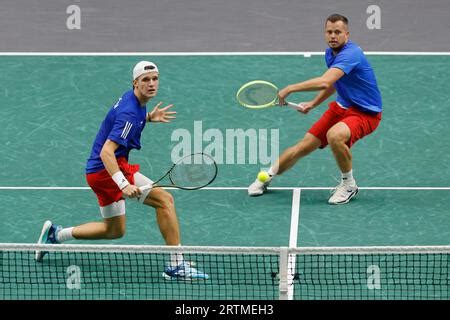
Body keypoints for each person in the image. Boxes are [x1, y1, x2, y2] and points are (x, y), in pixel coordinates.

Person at [35, 61, 208, 280]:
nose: (152, 84)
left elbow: (124, 124)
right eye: (146, 80)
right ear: (135, 83)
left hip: (100, 171)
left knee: (114, 230)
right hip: (108, 169)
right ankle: (175, 264)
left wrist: (147, 118)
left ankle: (56, 235)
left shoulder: (134, 102)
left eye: (155, 78)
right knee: (165, 200)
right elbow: (107, 151)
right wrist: (123, 184)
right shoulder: (130, 113)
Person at [248, 14, 382, 205]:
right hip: (341, 107)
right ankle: (267, 176)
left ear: (347, 34)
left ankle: (349, 185)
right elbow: (335, 83)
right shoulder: (330, 53)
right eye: (329, 32)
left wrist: (290, 88)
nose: (333, 36)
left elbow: (325, 81)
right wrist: (313, 103)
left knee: (334, 136)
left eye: (338, 32)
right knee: (304, 145)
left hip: (365, 113)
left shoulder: (351, 54)